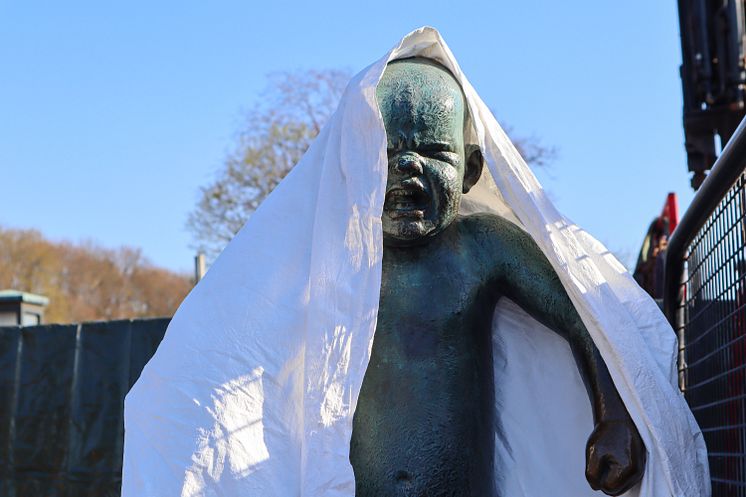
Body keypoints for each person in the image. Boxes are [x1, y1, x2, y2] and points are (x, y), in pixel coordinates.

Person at [349, 57, 644, 497]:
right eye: (386, 152)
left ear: (470, 170)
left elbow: (586, 318)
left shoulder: (481, 248)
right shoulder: (329, 257)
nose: (408, 165)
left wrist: (614, 415)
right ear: (353, 166)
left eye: (434, 152)